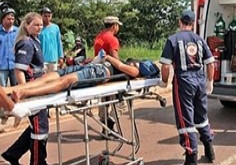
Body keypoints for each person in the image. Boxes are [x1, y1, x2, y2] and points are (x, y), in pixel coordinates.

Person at [158, 10, 216, 165]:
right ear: (193, 23)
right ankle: (209, 150)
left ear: (179, 22)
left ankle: (191, 163)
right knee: (202, 117)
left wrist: (164, 81)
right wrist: (209, 82)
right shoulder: (199, 40)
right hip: (199, 80)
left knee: (186, 121)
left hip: (184, 82)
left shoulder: (173, 39)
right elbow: (210, 63)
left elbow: (166, 65)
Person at [1, 12, 55, 165]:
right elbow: (19, 70)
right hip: (33, 90)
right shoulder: (26, 43)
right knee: (40, 127)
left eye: (40, 25)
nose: (39, 28)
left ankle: (13, 153)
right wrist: (26, 92)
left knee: (37, 124)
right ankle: (38, 164)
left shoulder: (34, 40)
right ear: (27, 25)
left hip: (39, 88)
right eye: (35, 25)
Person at [3, 54, 140, 101]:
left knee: (65, 81)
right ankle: (9, 89)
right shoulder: (125, 61)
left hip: (101, 72)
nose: (134, 63)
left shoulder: (135, 70)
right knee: (51, 76)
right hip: (92, 66)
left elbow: (127, 70)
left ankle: (24, 93)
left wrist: (109, 57)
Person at [93, 16, 123, 133]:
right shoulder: (112, 39)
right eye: (117, 25)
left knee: (104, 101)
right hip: (110, 73)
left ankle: (105, 124)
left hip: (99, 72)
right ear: (114, 26)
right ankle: (111, 124)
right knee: (119, 103)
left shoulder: (99, 37)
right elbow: (115, 58)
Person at [39, 7, 64, 72]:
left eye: (49, 16)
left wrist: (61, 57)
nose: (47, 18)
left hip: (54, 59)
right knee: (43, 80)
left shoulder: (55, 28)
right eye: (45, 16)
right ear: (41, 16)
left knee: (54, 80)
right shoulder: (39, 28)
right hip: (42, 60)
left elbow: (59, 43)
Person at [0, 7, 18, 87]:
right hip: (1, 66)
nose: (11, 21)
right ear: (2, 19)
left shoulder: (18, 31)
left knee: (17, 89)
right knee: (2, 91)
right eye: (8, 19)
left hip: (15, 66)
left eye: (12, 19)